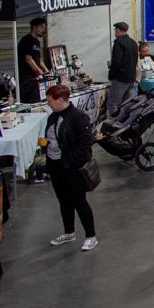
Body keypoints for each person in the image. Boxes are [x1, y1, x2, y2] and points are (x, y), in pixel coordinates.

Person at [44, 84, 98, 252]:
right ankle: (69, 232)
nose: (49, 104)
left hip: (71, 167)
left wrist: (72, 161)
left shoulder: (78, 117)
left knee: (78, 201)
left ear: (61, 100)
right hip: (55, 165)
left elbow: (86, 143)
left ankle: (91, 236)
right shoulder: (52, 117)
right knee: (63, 200)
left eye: (50, 101)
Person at [106, 21, 138, 118]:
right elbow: (134, 60)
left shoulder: (119, 43)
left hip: (120, 78)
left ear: (118, 30)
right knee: (127, 104)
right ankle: (126, 124)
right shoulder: (133, 43)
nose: (115, 33)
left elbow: (116, 62)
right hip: (131, 78)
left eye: (115, 30)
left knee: (112, 103)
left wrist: (111, 75)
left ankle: (115, 124)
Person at [17, 17, 49, 104]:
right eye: (41, 27)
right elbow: (28, 58)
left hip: (36, 77)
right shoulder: (26, 40)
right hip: (27, 78)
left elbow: (39, 59)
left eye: (44, 27)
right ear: (34, 27)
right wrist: (39, 71)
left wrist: (47, 71)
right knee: (31, 101)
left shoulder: (37, 41)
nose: (43, 30)